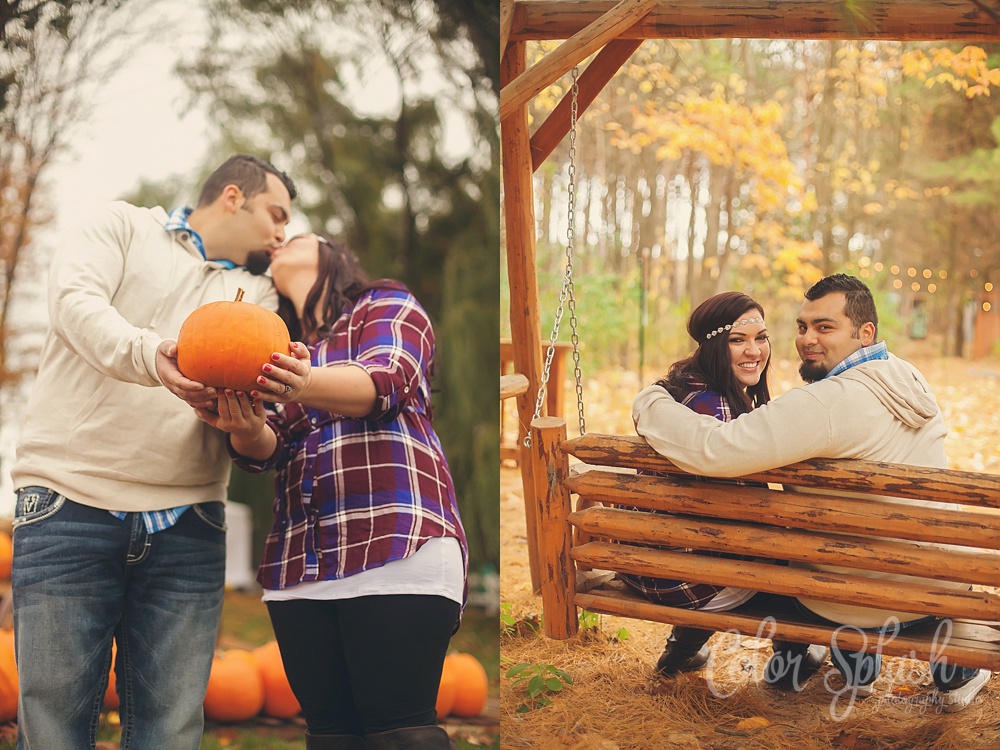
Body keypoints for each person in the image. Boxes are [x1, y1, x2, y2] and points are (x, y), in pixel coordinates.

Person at [10, 154, 296, 748]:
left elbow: (255, 415)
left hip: (188, 523)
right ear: (234, 196)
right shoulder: (121, 226)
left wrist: (245, 427)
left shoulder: (264, 297)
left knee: (170, 731)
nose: (281, 233)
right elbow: (74, 304)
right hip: (69, 503)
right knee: (54, 726)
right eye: (276, 213)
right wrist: (152, 355)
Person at [632, 274, 991, 712]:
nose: (807, 340)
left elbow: (714, 450)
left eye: (825, 327)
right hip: (928, 590)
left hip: (840, 600)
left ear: (865, 333)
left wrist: (650, 402)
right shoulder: (905, 376)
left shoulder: (826, 405)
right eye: (803, 327)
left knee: (772, 552)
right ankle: (939, 670)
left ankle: (818, 659)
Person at [198, 232, 467, 750]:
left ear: (334, 256)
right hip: (302, 560)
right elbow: (267, 448)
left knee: (401, 734)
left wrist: (302, 383)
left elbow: (384, 381)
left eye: (296, 235)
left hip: (394, 533)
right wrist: (243, 425)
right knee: (330, 737)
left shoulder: (384, 303)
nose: (277, 242)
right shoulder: (270, 343)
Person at [617, 292, 773, 677]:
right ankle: (792, 657)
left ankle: (680, 652)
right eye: (738, 340)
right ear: (715, 345)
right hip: (685, 582)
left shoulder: (678, 389)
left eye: (761, 337)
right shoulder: (717, 410)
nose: (754, 350)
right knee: (793, 555)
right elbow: (749, 516)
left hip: (638, 566)